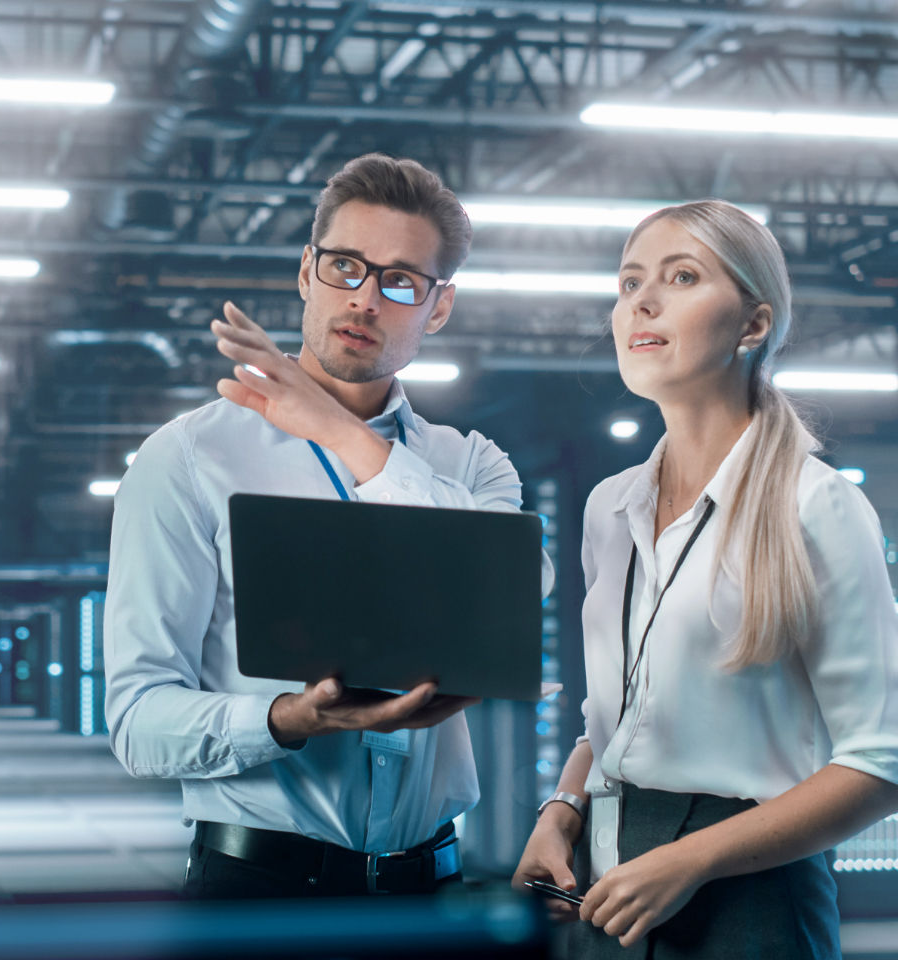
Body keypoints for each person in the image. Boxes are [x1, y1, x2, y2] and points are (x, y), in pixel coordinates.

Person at [104, 153, 550, 898]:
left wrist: (343, 436)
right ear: (307, 270)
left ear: (437, 307)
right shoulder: (188, 458)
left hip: (430, 897)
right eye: (346, 266)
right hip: (258, 896)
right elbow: (137, 720)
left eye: (400, 281)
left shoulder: (471, 468)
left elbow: (509, 596)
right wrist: (289, 718)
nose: (365, 300)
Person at [512, 199, 898, 956]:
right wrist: (560, 811)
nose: (641, 302)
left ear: (752, 326)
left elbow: (881, 762)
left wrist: (692, 859)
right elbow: (611, 720)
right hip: (609, 888)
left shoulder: (817, 506)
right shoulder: (609, 506)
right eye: (628, 284)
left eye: (681, 277)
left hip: (751, 891)